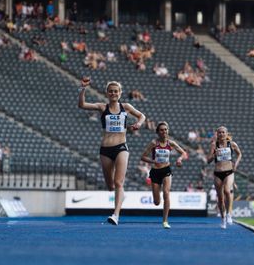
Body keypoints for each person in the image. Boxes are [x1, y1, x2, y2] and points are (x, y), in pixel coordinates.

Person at [78, 78, 146, 226]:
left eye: (116, 91)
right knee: (111, 186)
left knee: (118, 182)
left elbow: (142, 116)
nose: (113, 93)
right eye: (111, 91)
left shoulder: (126, 107)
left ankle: (115, 215)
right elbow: (82, 105)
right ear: (107, 93)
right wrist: (82, 88)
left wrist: (139, 124)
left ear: (120, 93)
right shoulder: (102, 107)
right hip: (105, 149)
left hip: (121, 147)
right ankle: (121, 196)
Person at [140, 122, 187, 229]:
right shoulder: (153, 143)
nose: (164, 132)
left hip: (166, 170)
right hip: (155, 172)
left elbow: (184, 153)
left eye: (166, 129)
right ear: (157, 132)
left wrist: (180, 159)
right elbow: (143, 157)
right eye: (161, 130)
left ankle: (165, 221)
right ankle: (158, 199)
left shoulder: (171, 143)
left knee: (166, 193)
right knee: (157, 202)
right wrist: (153, 161)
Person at [207, 126, 242, 229]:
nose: (221, 134)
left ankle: (229, 214)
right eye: (220, 132)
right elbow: (208, 160)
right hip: (218, 173)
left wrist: (236, 164)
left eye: (223, 132)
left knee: (227, 190)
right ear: (217, 134)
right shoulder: (214, 145)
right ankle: (223, 219)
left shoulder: (232, 144)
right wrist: (214, 155)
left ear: (227, 134)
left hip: (229, 172)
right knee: (220, 198)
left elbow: (239, 154)